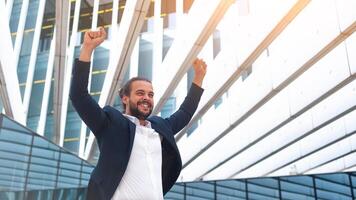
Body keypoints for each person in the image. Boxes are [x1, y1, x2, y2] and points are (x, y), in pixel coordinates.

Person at [70, 27, 207, 200]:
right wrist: (87, 49)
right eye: (140, 93)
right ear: (125, 98)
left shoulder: (159, 127)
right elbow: (79, 96)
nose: (147, 98)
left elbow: (185, 113)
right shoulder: (111, 123)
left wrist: (198, 79)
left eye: (150, 95)